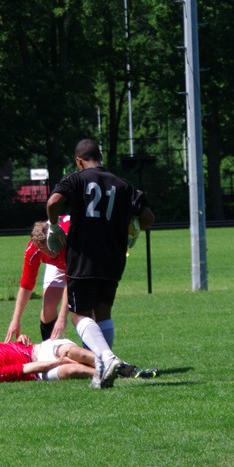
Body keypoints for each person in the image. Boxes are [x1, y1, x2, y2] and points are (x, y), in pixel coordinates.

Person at [45, 138, 155, 389]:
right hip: (114, 257)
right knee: (103, 312)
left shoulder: (76, 179)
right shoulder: (124, 184)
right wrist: (134, 230)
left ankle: (107, 358)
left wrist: (53, 226)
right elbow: (148, 216)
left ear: (78, 161)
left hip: (84, 256)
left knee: (79, 315)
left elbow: (53, 202)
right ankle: (102, 372)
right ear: (100, 157)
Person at [6, 216, 71, 343]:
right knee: (48, 306)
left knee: (83, 310)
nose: (48, 252)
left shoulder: (68, 242)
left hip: (78, 260)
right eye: (43, 249)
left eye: (49, 247)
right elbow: (26, 284)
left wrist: (62, 317)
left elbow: (71, 282)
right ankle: (50, 350)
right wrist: (15, 320)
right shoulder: (35, 249)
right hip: (58, 265)